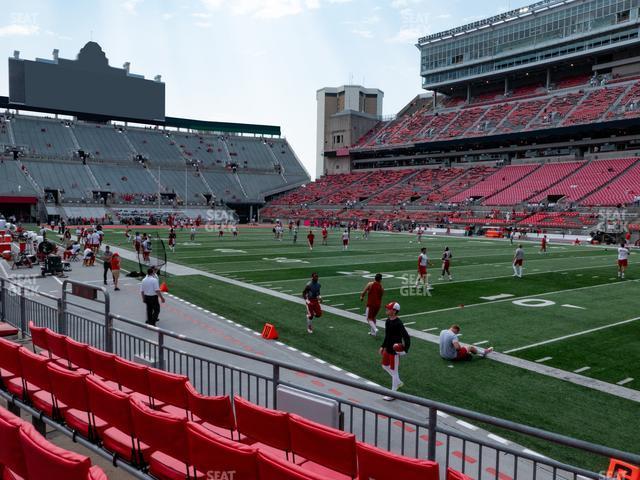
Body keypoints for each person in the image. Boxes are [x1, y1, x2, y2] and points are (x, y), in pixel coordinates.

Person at [379, 302, 410, 401]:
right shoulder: (388, 321)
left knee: (394, 371)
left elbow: (406, 337)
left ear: (394, 311)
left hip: (395, 350)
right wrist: (382, 346)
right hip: (388, 348)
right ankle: (398, 382)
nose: (387, 310)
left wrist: (405, 350)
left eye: (389, 309)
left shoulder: (399, 323)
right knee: (384, 366)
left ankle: (393, 393)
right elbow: (387, 335)